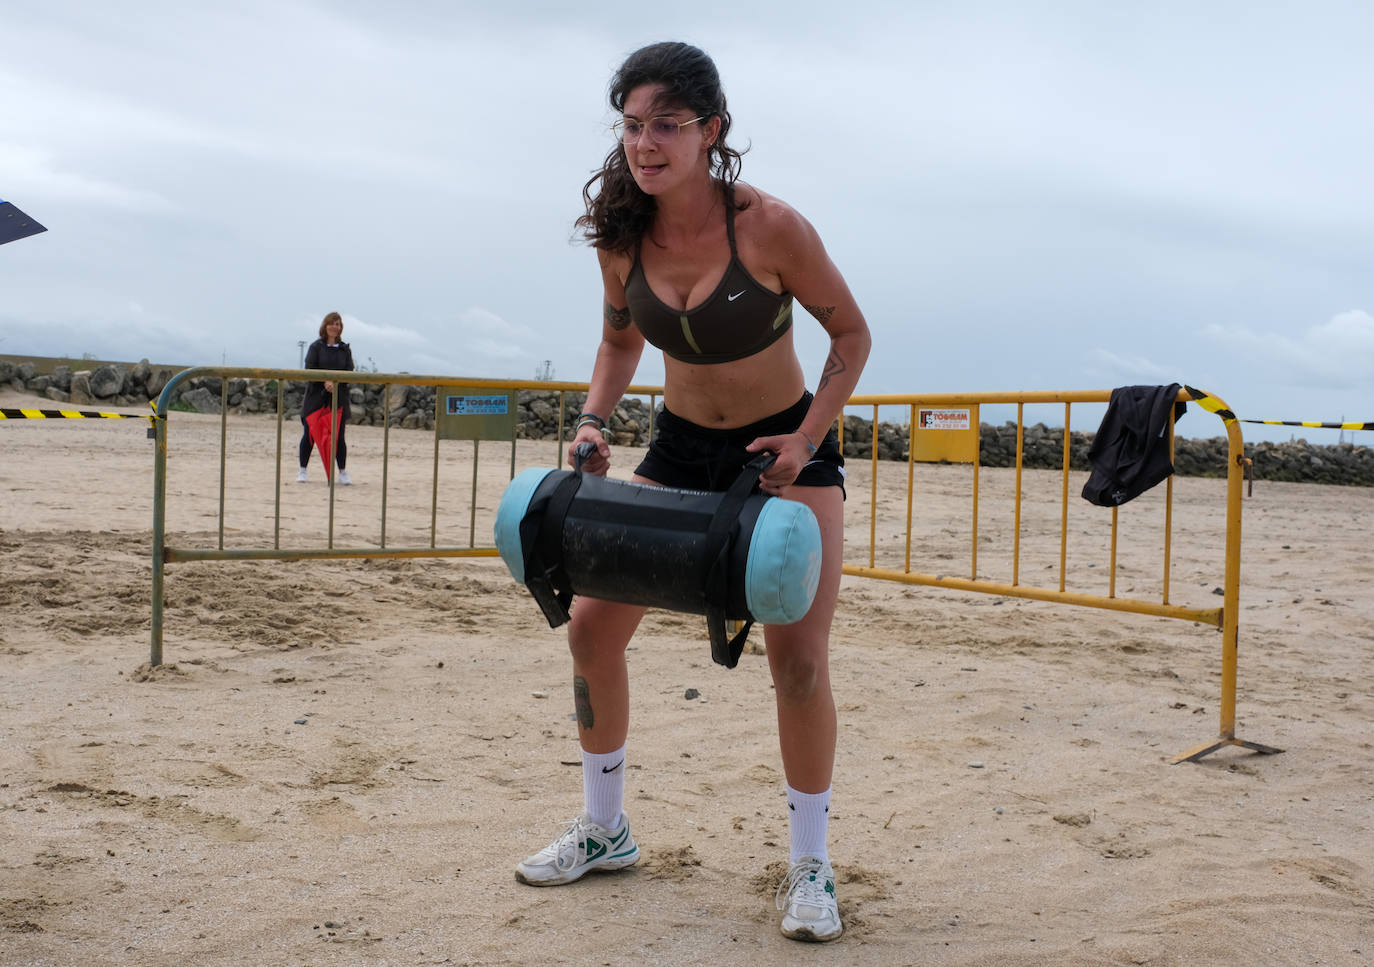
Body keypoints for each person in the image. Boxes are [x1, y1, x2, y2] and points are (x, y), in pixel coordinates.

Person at [513, 42, 871, 943]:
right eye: (633, 124)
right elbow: (620, 343)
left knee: (797, 662)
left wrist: (805, 438)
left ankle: (810, 865)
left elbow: (853, 337)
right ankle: (606, 828)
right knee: (592, 626)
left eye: (668, 124)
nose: (646, 142)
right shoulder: (621, 234)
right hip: (677, 448)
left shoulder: (771, 228)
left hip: (783, 451)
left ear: (712, 130)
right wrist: (595, 420)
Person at [298, 311, 355, 485]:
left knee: (338, 436)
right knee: (310, 434)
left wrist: (335, 383)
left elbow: (349, 371)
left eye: (338, 324)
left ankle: (342, 472)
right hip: (315, 397)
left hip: (338, 398)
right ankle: (302, 470)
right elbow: (310, 368)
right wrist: (325, 381)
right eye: (332, 323)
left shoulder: (345, 349)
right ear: (325, 325)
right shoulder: (316, 347)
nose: (335, 327)